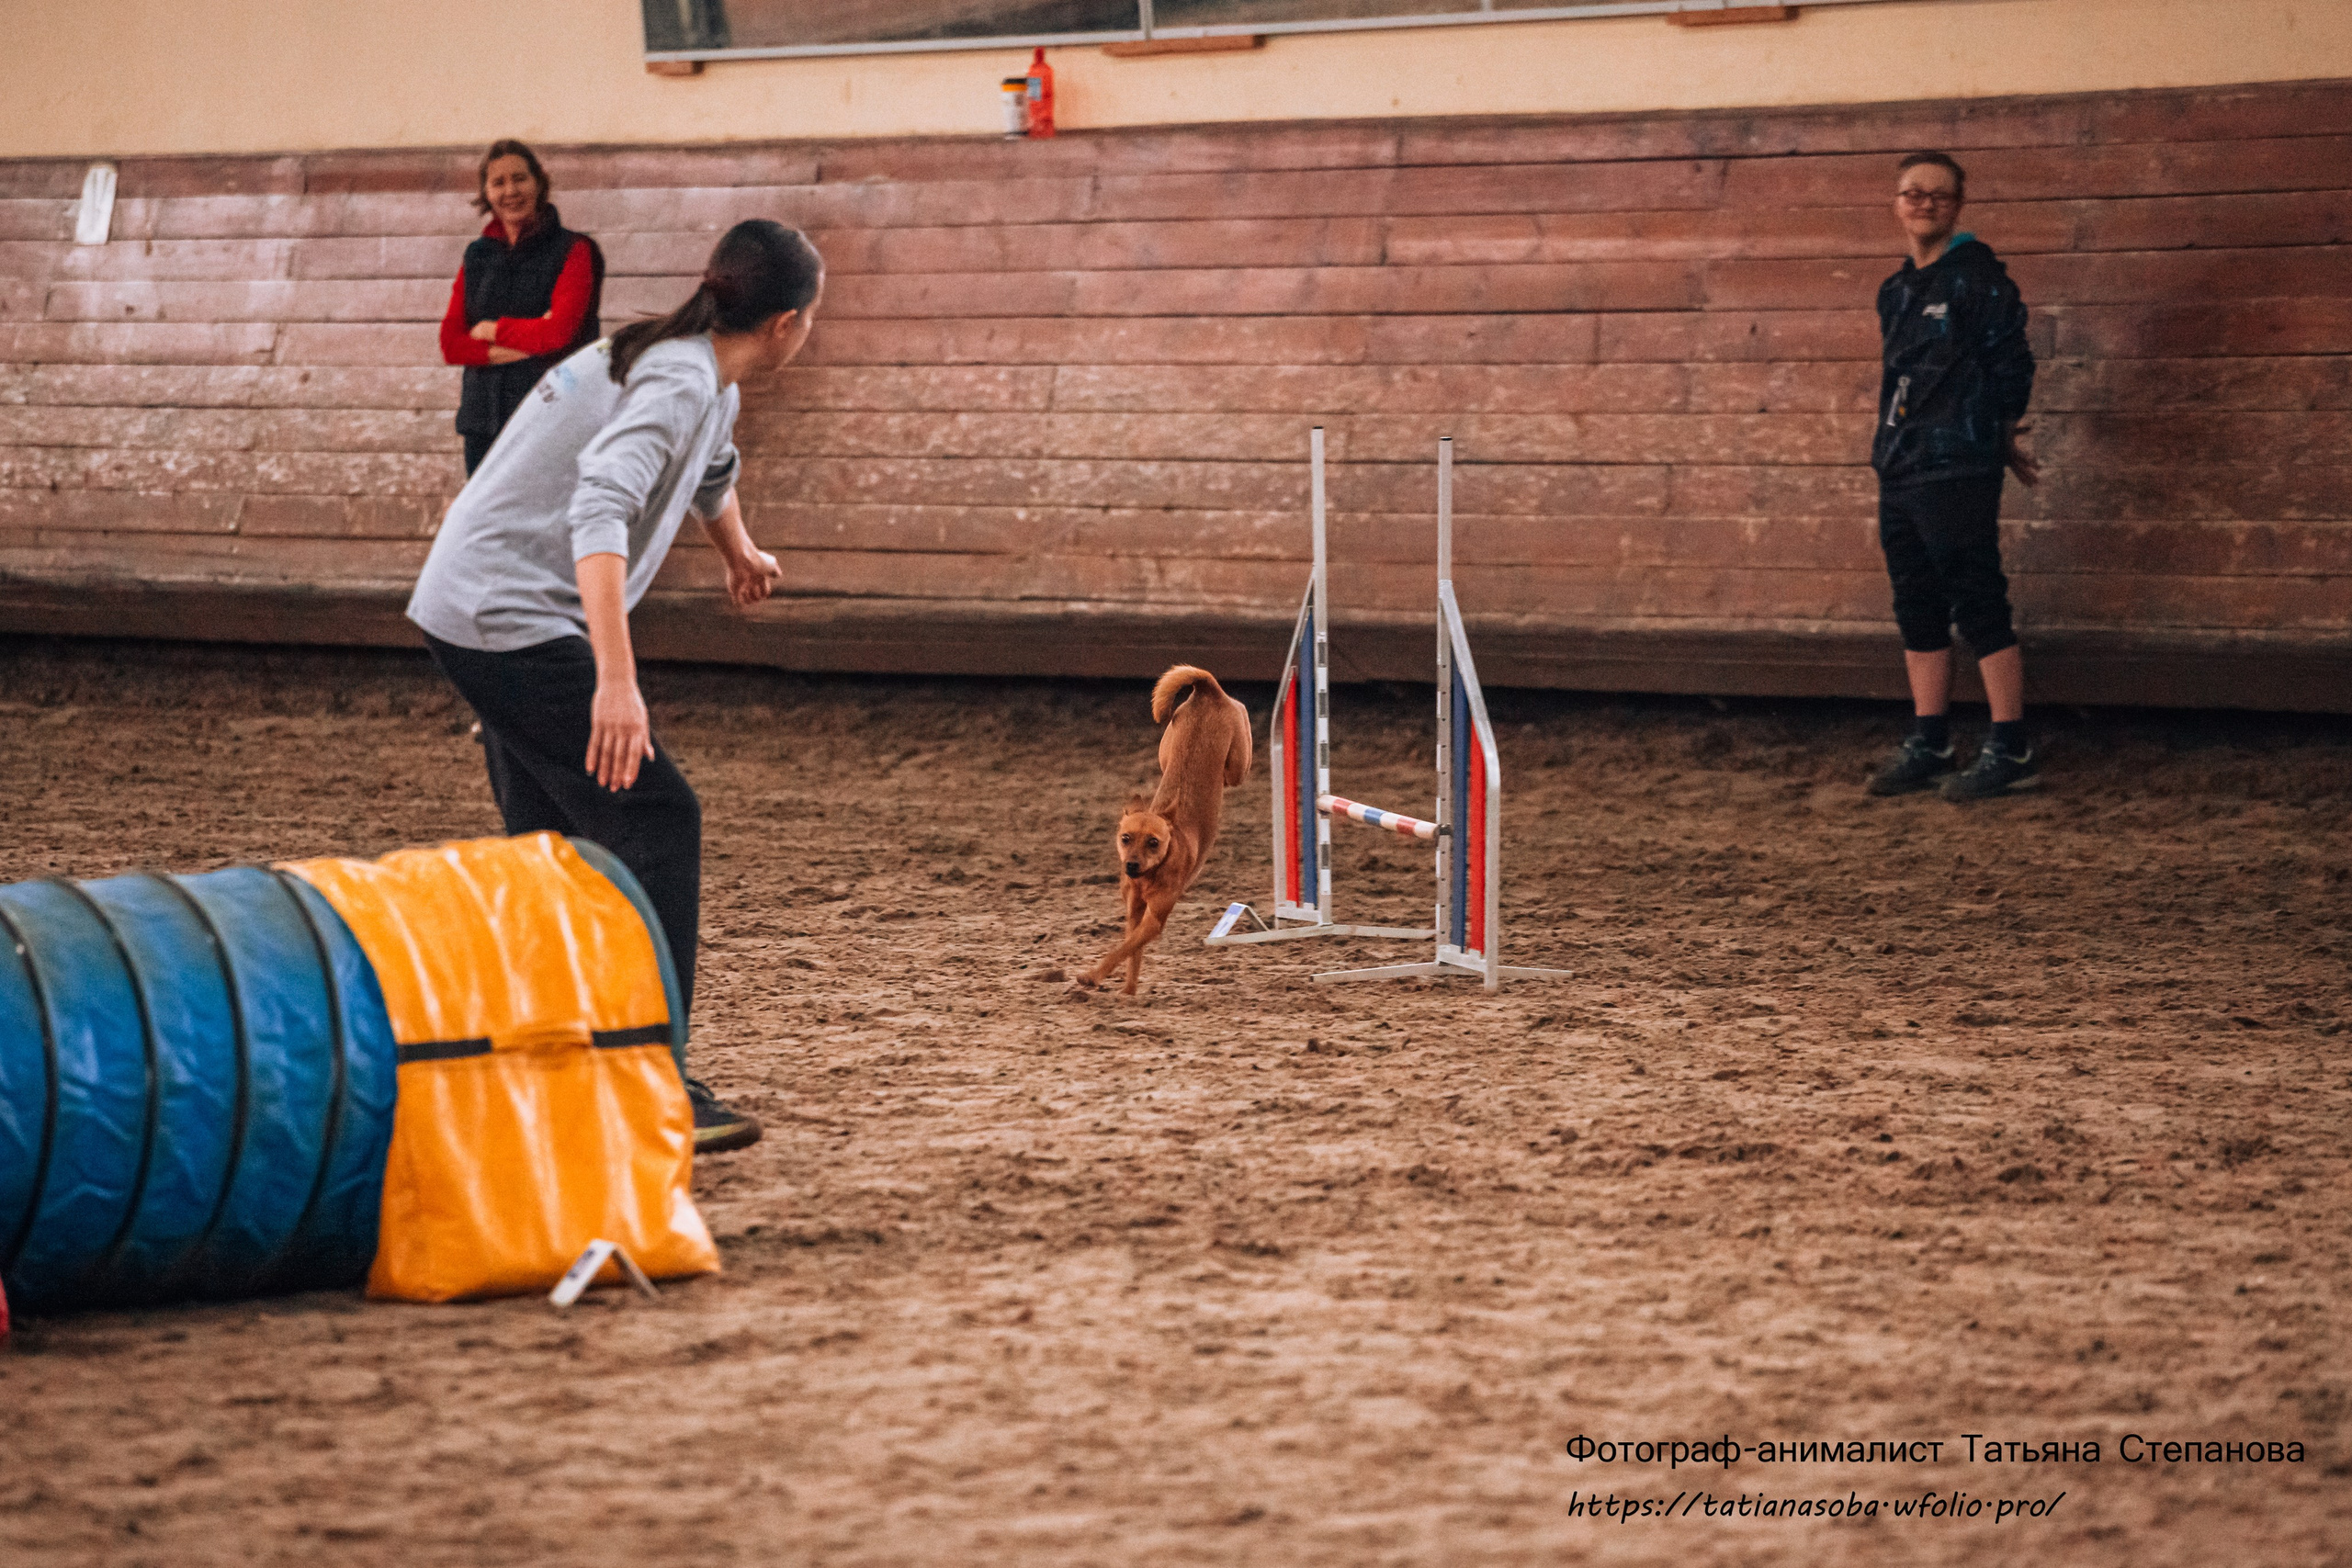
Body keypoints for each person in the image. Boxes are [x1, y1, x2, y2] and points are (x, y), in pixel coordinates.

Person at [406, 220, 823, 1154]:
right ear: (788, 323)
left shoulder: (694, 366)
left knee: (550, 844)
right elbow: (601, 505)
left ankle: (557, 1056)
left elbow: (709, 471)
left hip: (471, 605)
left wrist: (739, 553)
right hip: (507, 616)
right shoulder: (677, 378)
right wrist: (615, 682)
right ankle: (653, 1083)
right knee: (659, 818)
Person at [1863, 150, 2042, 803]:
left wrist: (1995, 435)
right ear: (1897, 203)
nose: (1923, 203)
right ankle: (1931, 738)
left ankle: (2011, 743)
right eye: (1912, 192)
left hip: (1958, 465)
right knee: (1916, 601)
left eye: (1937, 194)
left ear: (1957, 205)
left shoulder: (1979, 280)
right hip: (1901, 466)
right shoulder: (1896, 290)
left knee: (1976, 597)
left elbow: (2011, 364)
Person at [438, 139, 605, 476]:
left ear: (539, 181)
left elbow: (560, 333)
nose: (510, 190)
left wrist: (491, 331)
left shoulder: (576, 250)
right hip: (482, 425)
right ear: (486, 193)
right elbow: (451, 343)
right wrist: (530, 342)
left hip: (552, 420)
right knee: (484, 528)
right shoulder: (477, 256)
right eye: (498, 182)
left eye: (519, 178)